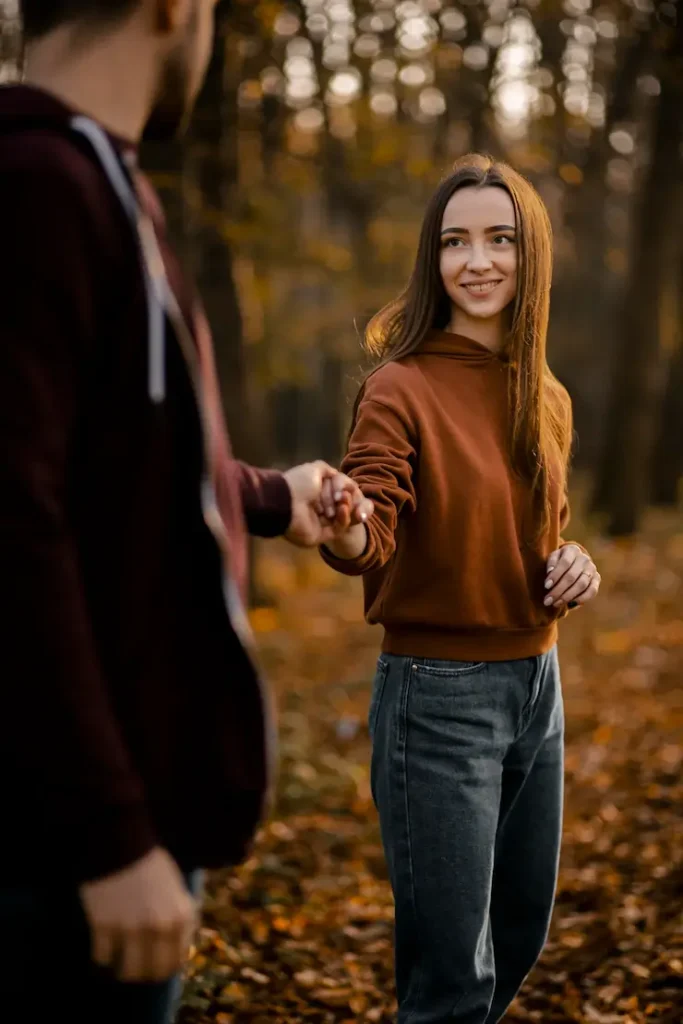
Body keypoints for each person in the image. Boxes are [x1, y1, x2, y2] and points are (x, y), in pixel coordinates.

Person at [0, 1, 371, 1021]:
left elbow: (102, 457)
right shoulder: (39, 188)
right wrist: (109, 832)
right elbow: (12, 526)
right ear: (176, 9)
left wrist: (268, 496)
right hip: (58, 855)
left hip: (102, 830)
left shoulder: (99, 184)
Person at [320, 154, 601, 1024]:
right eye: (453, 242)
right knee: (451, 984)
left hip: (536, 688)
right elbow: (373, 531)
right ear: (430, 259)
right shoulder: (398, 388)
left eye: (499, 239)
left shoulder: (542, 393)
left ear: (532, 257)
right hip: (437, 700)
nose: (476, 261)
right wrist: (347, 523)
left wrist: (575, 561)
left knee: (516, 937)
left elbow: (531, 531)